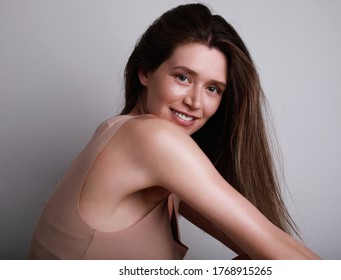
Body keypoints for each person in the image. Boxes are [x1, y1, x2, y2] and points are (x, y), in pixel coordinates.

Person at [29, 3, 319, 260]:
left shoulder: (125, 134)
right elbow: (287, 256)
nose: (195, 102)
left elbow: (265, 250)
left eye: (212, 88)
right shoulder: (152, 138)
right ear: (145, 72)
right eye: (183, 77)